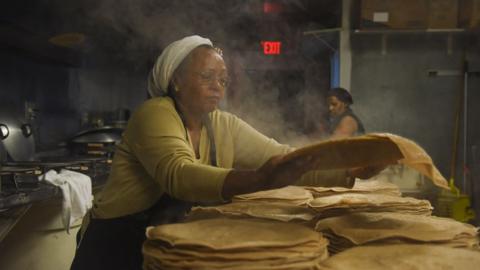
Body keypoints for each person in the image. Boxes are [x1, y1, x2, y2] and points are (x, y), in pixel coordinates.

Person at [70, 35, 385, 270]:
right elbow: (179, 175)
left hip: (170, 248)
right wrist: (260, 179)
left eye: (222, 79)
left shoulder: (222, 125)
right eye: (206, 77)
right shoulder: (155, 113)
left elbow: (284, 158)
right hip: (116, 247)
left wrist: (349, 172)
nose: (217, 86)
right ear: (176, 81)